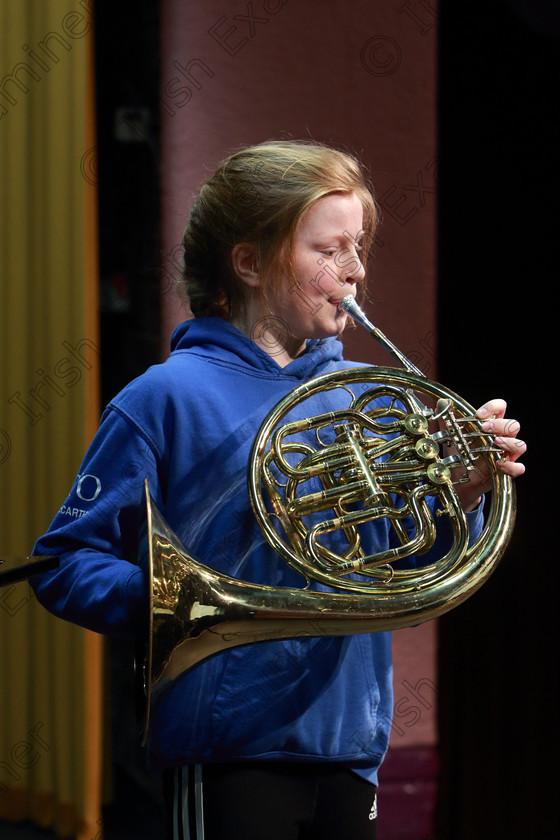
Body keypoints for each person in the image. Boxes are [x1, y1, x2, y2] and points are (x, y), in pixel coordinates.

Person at [30, 140, 526, 839]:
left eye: (359, 247)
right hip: (228, 747)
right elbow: (62, 563)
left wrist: (464, 497)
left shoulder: (371, 400)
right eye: (330, 250)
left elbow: (398, 583)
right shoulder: (166, 396)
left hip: (350, 746)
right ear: (250, 262)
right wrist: (168, 602)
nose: (355, 272)